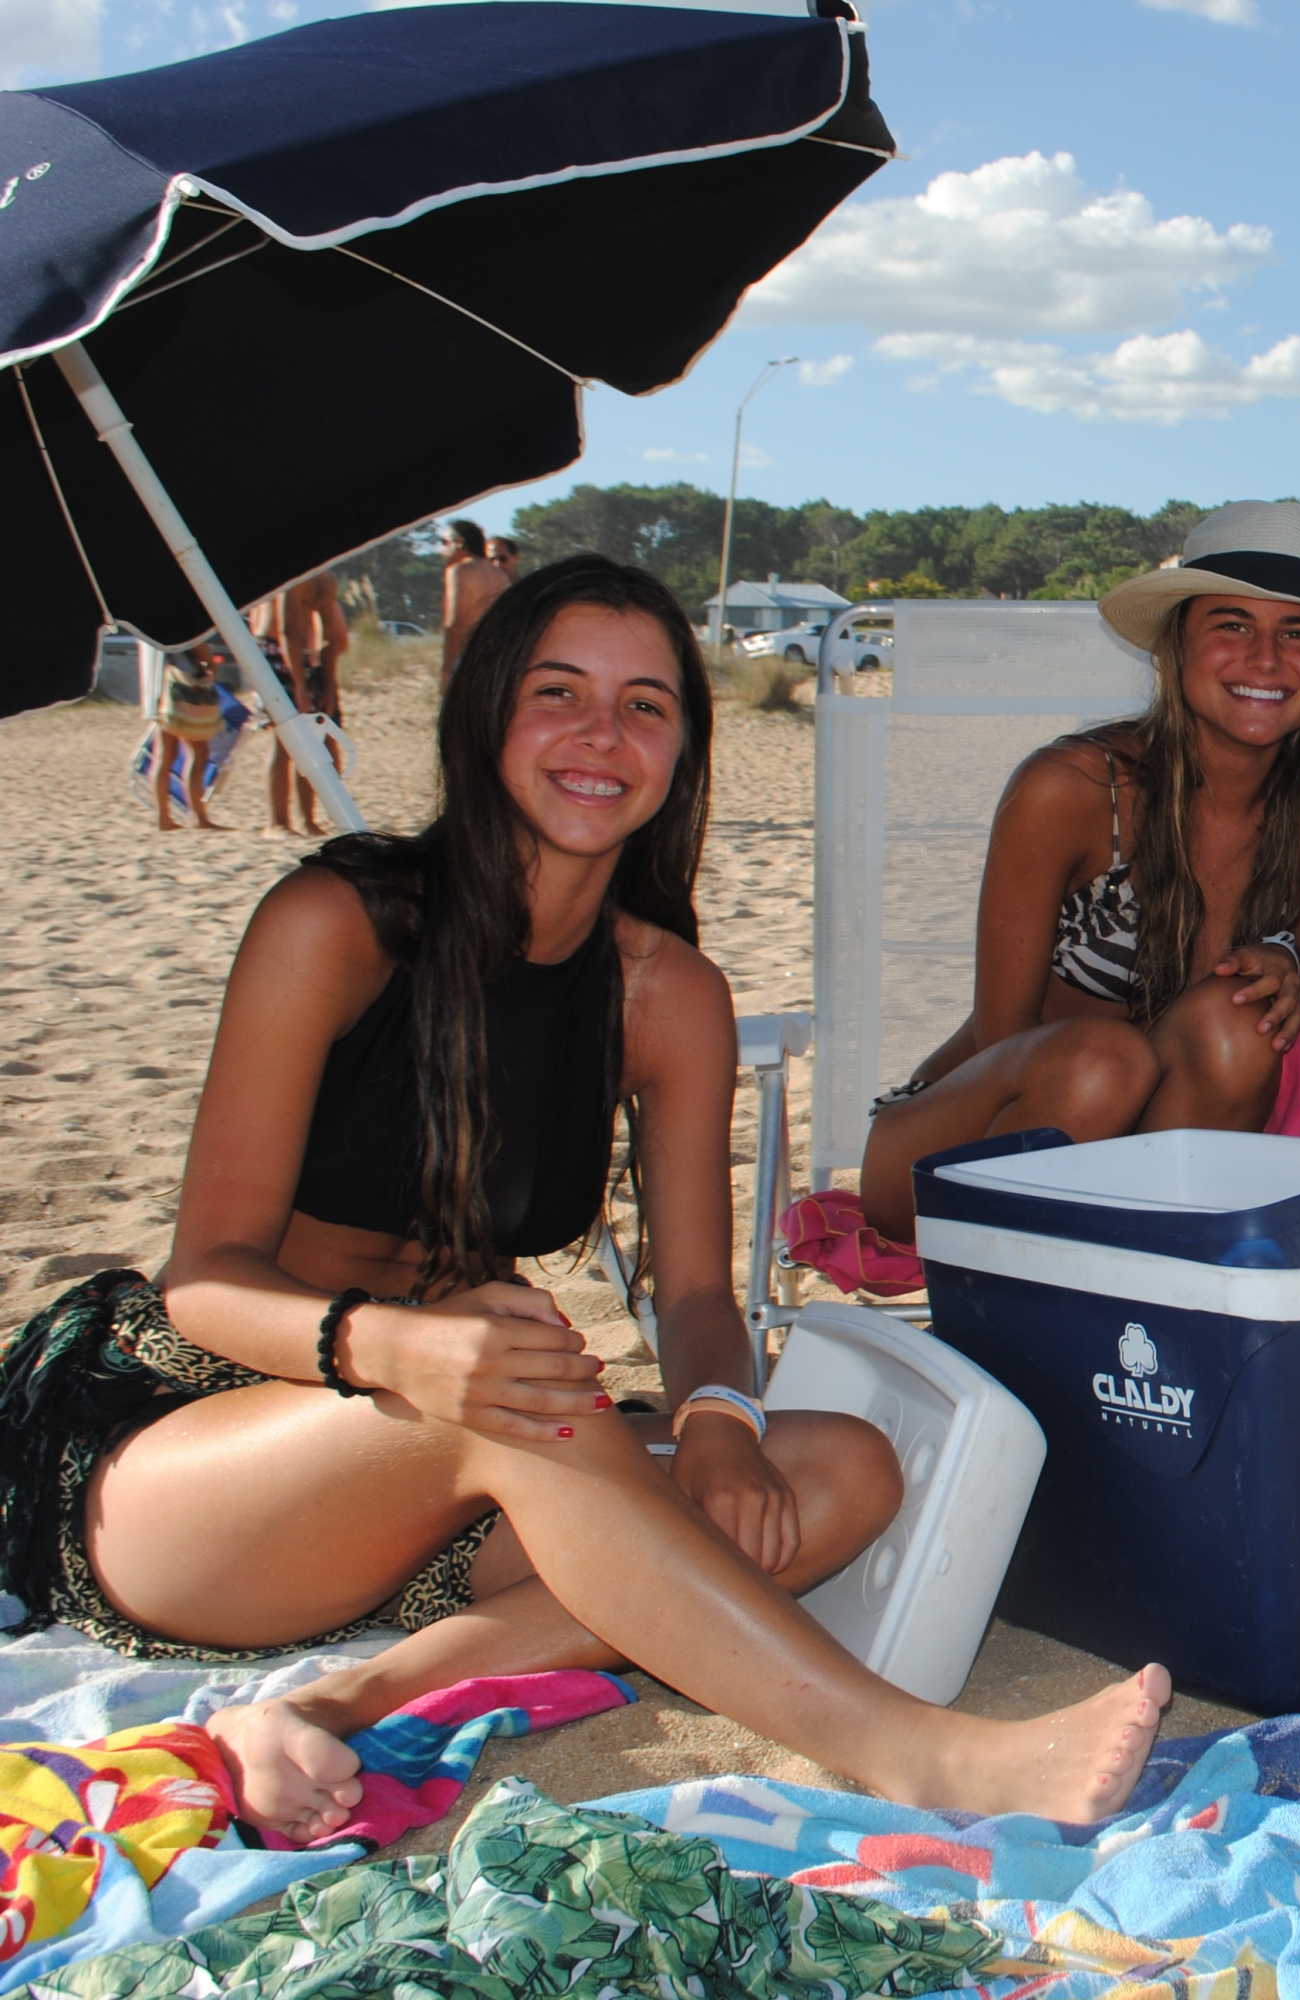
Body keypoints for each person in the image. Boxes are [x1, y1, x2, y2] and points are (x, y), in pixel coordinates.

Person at [1, 554, 1166, 1844]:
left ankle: (335, 1699)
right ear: (490, 709)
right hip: (195, 1444)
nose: (602, 735)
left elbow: (698, 1295)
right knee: (519, 1377)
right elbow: (206, 1275)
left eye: (647, 705)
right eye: (560, 692)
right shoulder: (335, 923)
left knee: (840, 1469)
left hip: (435, 1477)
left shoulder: (668, 994)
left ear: (682, 750)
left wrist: (718, 1416)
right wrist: (400, 1347)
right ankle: (907, 1746)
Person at [854, 502, 1300, 1244]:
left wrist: (1285, 959)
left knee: (1243, 1018)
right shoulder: (1071, 791)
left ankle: (1143, 1286)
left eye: (1297, 632)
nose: (1265, 660)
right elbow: (1004, 1036)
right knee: (1102, 1064)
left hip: (1159, 1151)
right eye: (1231, 625)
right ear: (1175, 646)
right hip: (961, 1147)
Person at [251, 569, 349, 838]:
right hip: (272, 650)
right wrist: (299, 686)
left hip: (306, 654)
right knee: (285, 740)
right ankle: (277, 822)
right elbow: (286, 631)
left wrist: (329, 685)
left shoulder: (326, 578)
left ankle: (308, 819)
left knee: (317, 738)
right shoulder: (291, 573)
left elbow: (334, 638)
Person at [152, 649, 226, 832]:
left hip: (159, 678)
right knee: (198, 751)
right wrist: (210, 661)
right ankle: (199, 816)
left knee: (166, 753)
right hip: (180, 682)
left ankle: (164, 816)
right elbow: (192, 641)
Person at [440, 519, 508, 687]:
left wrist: (447, 669)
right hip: (498, 657)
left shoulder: (460, 570)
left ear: (459, 542)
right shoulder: (499, 574)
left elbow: (456, 624)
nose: (441, 549)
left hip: (470, 656)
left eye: (444, 542)